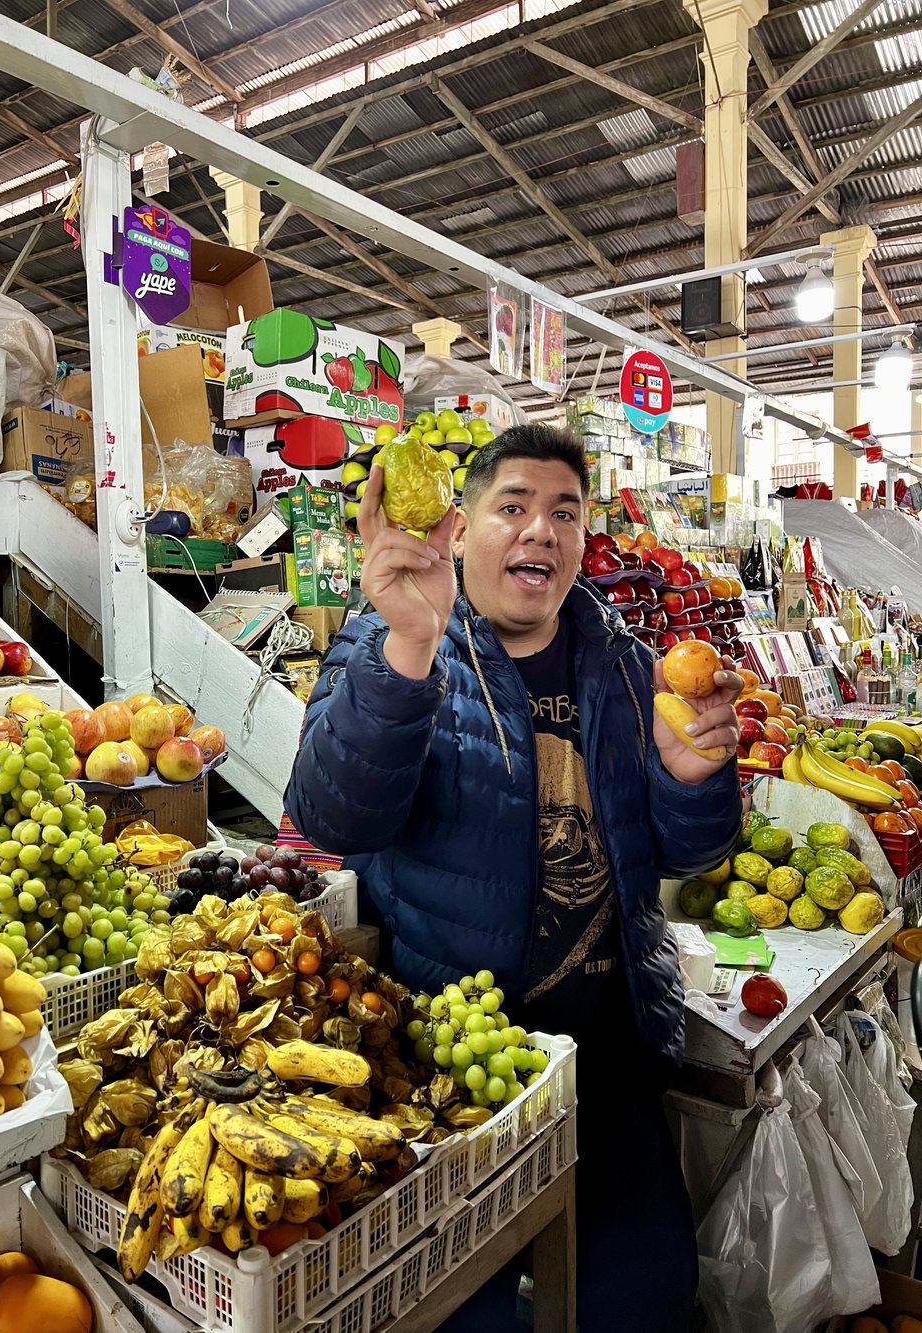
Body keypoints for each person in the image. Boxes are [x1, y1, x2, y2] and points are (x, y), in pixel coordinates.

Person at [285, 423, 743, 1331]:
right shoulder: (393, 642)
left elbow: (688, 855)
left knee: (645, 1294)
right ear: (461, 529)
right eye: (514, 507)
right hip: (453, 1072)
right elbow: (335, 819)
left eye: (564, 512)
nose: (541, 529)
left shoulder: (625, 662)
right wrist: (410, 647)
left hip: (607, 1051)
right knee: (468, 1312)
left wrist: (696, 784)